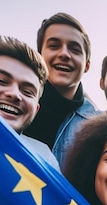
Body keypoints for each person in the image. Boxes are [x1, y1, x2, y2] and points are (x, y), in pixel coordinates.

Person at [0, 35, 60, 171]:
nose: (15, 94)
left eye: (28, 92)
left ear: (36, 109)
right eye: (1, 81)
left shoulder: (45, 160)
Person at [23, 12, 98, 165]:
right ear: (39, 57)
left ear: (87, 65)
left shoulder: (96, 126)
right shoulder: (16, 104)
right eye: (54, 46)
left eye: (75, 49)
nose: (64, 54)